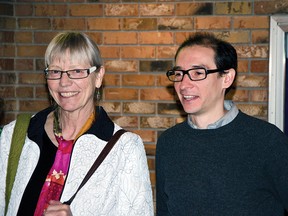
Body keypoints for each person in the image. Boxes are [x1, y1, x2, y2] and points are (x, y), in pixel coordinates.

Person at [0, 32, 153, 216]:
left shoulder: (125, 149)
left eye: (77, 71)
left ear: (98, 76)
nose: (64, 82)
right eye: (56, 71)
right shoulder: (16, 135)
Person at [156, 32, 288, 216]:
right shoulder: (169, 143)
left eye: (197, 73)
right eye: (179, 73)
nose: (184, 84)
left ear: (226, 78)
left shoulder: (267, 141)